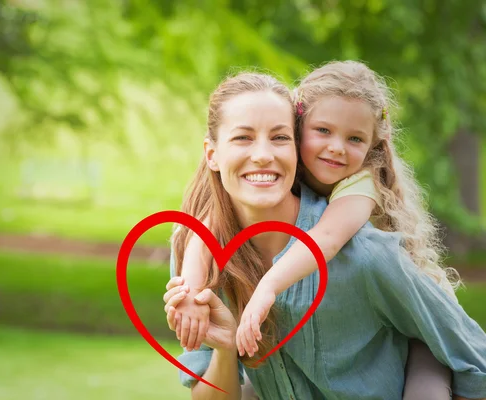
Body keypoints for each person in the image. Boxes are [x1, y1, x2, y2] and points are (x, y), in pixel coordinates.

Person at [164, 68, 486, 399]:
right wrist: (225, 347)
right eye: (243, 137)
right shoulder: (200, 252)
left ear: (294, 146)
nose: (263, 154)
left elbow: (474, 356)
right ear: (212, 154)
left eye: (279, 137)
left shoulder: (364, 251)